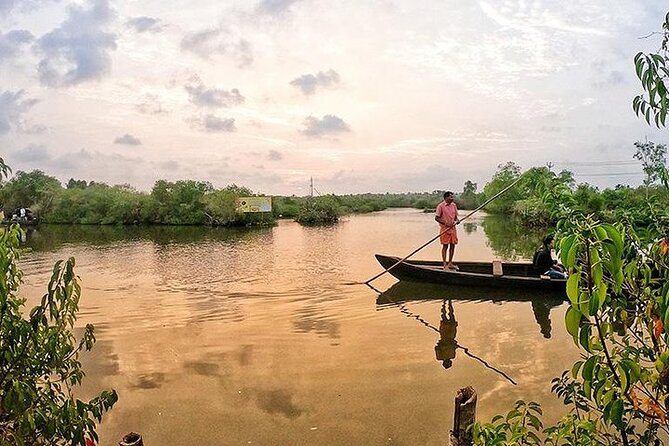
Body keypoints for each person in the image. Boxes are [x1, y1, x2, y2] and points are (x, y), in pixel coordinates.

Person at [435, 191, 460, 270]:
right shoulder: (441, 206)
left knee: (453, 245)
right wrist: (446, 223)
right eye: (451, 197)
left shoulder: (454, 205)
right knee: (445, 246)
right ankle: (444, 265)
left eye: (453, 197)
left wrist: (457, 220)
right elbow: (437, 218)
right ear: (446, 198)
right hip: (445, 229)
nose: (452, 198)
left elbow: (455, 217)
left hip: (453, 229)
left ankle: (450, 263)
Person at [435, 300, 458, 369]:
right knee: (452, 316)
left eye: (449, 363)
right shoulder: (452, 356)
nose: (450, 362)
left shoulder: (440, 357)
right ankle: (449, 302)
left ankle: (444, 303)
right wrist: (455, 345)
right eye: (450, 363)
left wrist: (445, 346)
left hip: (444, 336)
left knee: (444, 317)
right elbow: (454, 347)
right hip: (451, 336)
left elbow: (436, 348)